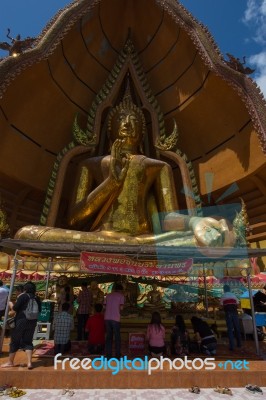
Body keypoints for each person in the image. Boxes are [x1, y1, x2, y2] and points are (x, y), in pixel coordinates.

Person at [15, 96, 236, 248]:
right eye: (121, 118)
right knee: (28, 234)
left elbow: (166, 218)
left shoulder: (157, 166)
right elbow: (73, 220)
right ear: (109, 128)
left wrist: (195, 223)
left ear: (142, 131)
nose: (127, 123)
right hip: (99, 239)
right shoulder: (90, 164)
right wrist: (111, 182)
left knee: (219, 236)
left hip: (144, 241)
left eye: (134, 120)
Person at [1, 282, 41, 369]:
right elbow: (39, 310)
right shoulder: (37, 298)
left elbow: (15, 309)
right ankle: (30, 363)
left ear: (25, 289)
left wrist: (10, 303)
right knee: (28, 341)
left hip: (21, 321)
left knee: (15, 341)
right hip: (32, 322)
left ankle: (10, 362)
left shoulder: (23, 296)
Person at [104, 282, 124, 359]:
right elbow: (121, 308)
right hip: (116, 319)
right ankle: (117, 355)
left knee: (109, 337)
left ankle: (108, 355)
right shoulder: (121, 296)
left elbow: (104, 307)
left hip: (107, 318)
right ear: (121, 290)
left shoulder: (108, 296)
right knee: (117, 337)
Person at [220, 284, 242, 351]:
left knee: (230, 330)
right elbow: (238, 304)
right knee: (237, 329)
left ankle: (232, 346)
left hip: (228, 313)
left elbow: (221, 305)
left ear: (224, 290)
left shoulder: (223, 296)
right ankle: (239, 344)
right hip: (235, 313)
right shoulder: (233, 295)